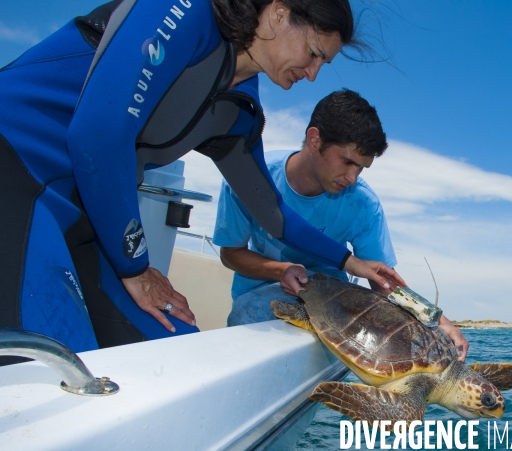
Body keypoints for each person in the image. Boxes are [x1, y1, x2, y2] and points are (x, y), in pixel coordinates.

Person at [0, 0, 404, 365]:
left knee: (175, 353)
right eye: (314, 54)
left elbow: (273, 214)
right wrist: (135, 267)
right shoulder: (184, 12)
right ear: (279, 12)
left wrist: (352, 263)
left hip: (84, 216)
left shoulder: (239, 111)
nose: (313, 75)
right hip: (16, 171)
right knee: (56, 370)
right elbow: (97, 135)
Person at [214, 89, 469, 361]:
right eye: (347, 161)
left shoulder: (363, 203)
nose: (351, 178)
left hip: (334, 304)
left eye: (361, 168)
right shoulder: (250, 177)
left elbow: (382, 280)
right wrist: (282, 270)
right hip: (261, 293)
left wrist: (437, 320)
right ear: (314, 139)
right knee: (248, 314)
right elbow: (230, 253)